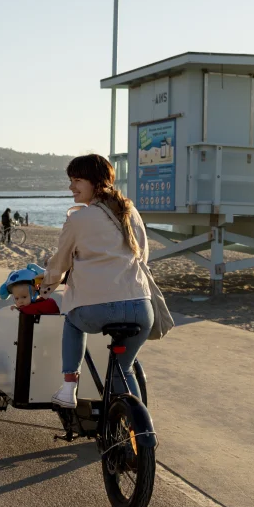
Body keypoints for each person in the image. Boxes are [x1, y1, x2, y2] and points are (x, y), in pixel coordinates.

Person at [40, 154, 152, 408]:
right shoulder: (130, 211)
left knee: (71, 320)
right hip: (141, 309)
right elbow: (142, 255)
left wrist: (46, 285)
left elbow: (60, 263)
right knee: (123, 370)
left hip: (97, 309)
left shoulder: (78, 218)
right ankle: (138, 426)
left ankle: (69, 388)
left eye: (77, 180)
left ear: (96, 182)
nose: (71, 187)